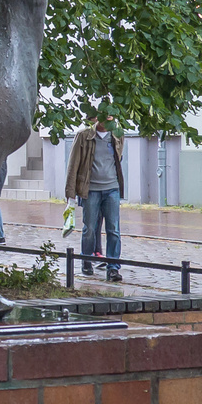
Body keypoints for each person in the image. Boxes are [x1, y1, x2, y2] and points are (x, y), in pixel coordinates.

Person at [64, 113, 124, 281]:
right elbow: (73, 165)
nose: (109, 122)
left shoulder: (118, 134)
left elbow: (118, 158)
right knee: (89, 227)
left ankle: (113, 267)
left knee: (114, 229)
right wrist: (71, 195)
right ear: (98, 119)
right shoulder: (84, 136)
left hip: (112, 188)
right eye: (106, 119)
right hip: (90, 189)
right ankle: (86, 259)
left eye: (112, 119)